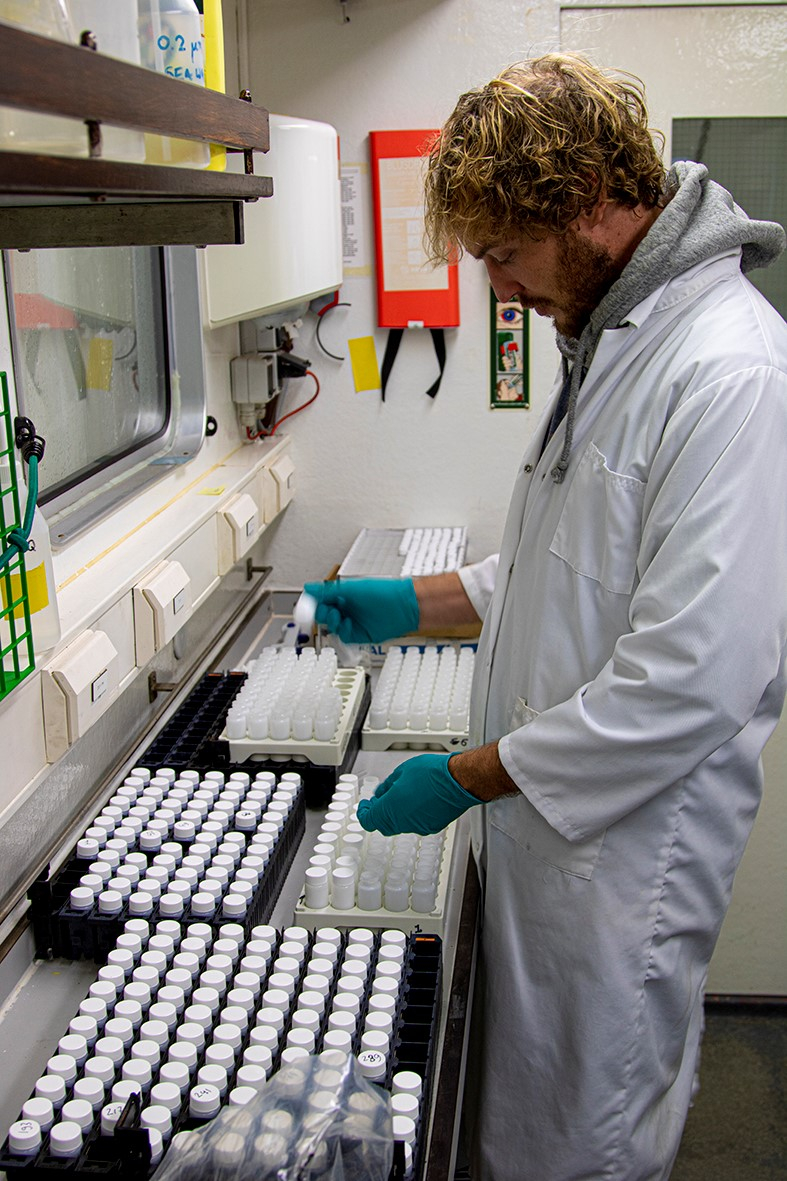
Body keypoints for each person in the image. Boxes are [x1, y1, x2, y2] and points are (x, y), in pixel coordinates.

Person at [305, 53, 787, 1181]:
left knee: (584, 1137)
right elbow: (557, 569)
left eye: (503, 254)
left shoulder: (730, 373)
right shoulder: (612, 338)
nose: (497, 288)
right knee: (523, 1121)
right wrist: (408, 602)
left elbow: (690, 679)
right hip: (545, 836)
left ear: (586, 205)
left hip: (620, 865)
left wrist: (465, 774)